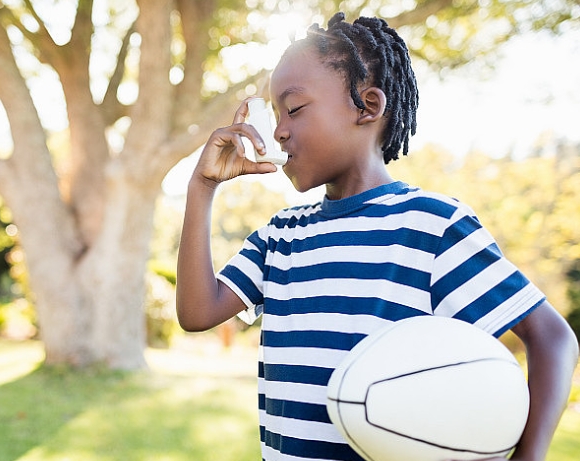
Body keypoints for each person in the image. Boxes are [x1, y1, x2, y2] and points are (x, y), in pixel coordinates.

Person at [176, 12, 578, 461]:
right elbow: (197, 312)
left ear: (367, 106)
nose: (279, 130)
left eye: (293, 108)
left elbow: (553, 339)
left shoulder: (433, 227)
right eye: (274, 115)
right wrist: (202, 187)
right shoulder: (281, 236)